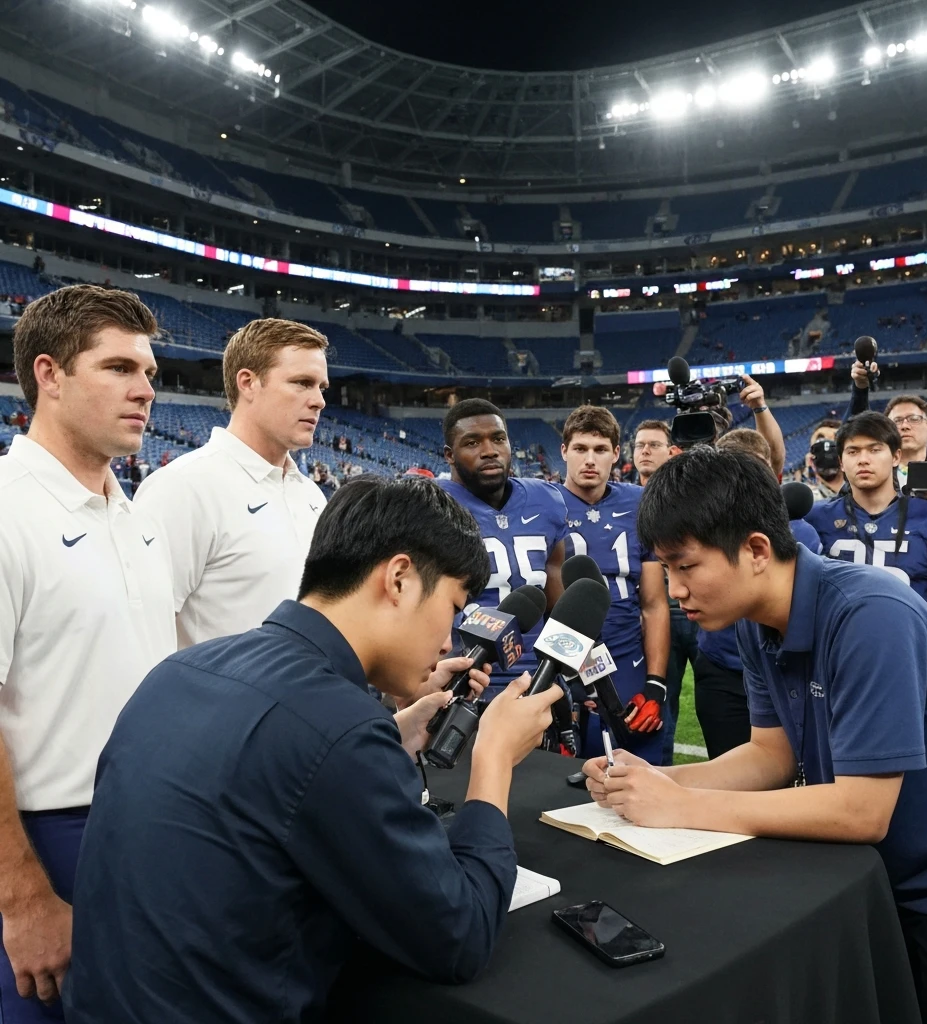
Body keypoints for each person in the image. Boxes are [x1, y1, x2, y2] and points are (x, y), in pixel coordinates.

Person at [63, 477, 564, 1023]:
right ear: (398, 579)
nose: (450, 640)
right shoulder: (338, 727)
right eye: (453, 605)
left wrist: (391, 734)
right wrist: (492, 759)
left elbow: (269, 772)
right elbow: (457, 938)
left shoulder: (182, 669)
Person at [584, 445, 927, 1024]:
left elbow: (863, 810)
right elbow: (771, 754)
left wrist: (685, 803)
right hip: (877, 882)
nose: (674, 589)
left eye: (685, 566)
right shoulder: (754, 621)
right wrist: (654, 778)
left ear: (757, 551)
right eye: (665, 569)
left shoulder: (870, 614)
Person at [0, 285, 175, 1021]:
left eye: (151, 374)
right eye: (118, 368)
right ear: (50, 374)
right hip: (48, 841)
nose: (144, 391)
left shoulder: (131, 512)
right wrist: (23, 897)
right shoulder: (9, 510)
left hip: (148, 827)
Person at [134, 318, 330, 648]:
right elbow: (142, 635)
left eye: (320, 388)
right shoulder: (181, 489)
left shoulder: (310, 494)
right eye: (302, 383)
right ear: (248, 383)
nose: (319, 401)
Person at [688, 430, 822, 760]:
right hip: (723, 665)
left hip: (782, 663)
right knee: (734, 760)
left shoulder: (801, 532)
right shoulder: (702, 529)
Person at [805, 412, 927, 648]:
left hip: (912, 648)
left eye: (875, 450)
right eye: (853, 451)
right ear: (841, 462)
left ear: (896, 457)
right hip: (840, 651)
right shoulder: (815, 517)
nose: (863, 459)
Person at [558, 406, 670, 762]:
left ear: (616, 453)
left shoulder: (640, 503)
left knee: (639, 765)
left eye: (600, 449)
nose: (590, 459)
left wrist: (655, 681)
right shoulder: (542, 503)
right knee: (559, 778)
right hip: (564, 655)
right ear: (564, 452)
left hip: (626, 657)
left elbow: (653, 604)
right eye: (580, 448)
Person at [437, 399, 566, 692]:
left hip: (538, 679)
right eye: (472, 442)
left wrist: (567, 678)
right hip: (463, 683)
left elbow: (557, 605)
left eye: (498, 439)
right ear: (450, 455)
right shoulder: (428, 507)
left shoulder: (546, 500)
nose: (489, 451)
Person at [631, 420, 698, 766]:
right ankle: (663, 771)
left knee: (718, 701)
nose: (645, 450)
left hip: (700, 611)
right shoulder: (623, 503)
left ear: (671, 451)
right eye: (640, 444)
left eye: (654, 444)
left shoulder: (691, 495)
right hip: (658, 613)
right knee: (661, 703)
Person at [806, 418, 845, 501]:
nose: (827, 449)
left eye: (834, 441)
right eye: (821, 441)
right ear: (810, 461)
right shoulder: (806, 502)